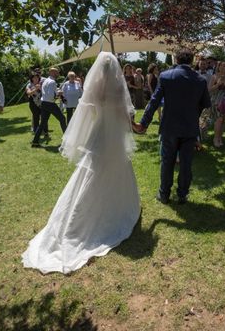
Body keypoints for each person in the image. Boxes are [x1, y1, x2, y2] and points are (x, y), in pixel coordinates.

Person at [22, 52, 140, 274]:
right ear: (114, 69)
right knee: (113, 169)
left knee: (92, 171)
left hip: (99, 133)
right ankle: (110, 210)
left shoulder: (94, 88)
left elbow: (88, 112)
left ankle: (83, 212)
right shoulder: (116, 87)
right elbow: (125, 112)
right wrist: (130, 123)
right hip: (113, 135)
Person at [133, 47, 211, 204]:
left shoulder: (166, 76)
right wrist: (193, 115)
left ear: (176, 60)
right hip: (190, 127)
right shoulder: (200, 80)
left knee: (167, 161)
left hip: (169, 126)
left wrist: (143, 123)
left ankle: (164, 194)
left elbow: (154, 101)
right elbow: (205, 104)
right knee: (186, 163)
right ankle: (182, 194)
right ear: (192, 60)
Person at [32, 67, 67, 147]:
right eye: (57, 72)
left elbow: (46, 93)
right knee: (62, 118)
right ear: (52, 73)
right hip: (50, 103)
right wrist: (59, 94)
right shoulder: (52, 82)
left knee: (43, 123)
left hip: (44, 103)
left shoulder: (45, 81)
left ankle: (35, 141)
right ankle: (66, 140)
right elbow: (51, 96)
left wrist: (57, 92)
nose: (58, 74)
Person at [210, 61, 225, 148]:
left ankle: (220, 138)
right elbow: (209, 89)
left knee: (223, 120)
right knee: (218, 120)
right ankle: (215, 138)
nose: (223, 67)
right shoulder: (214, 76)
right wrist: (218, 84)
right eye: (222, 65)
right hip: (216, 100)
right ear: (218, 67)